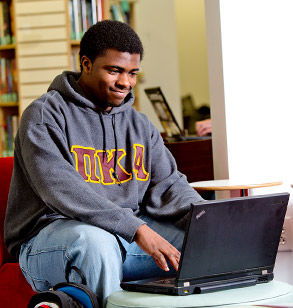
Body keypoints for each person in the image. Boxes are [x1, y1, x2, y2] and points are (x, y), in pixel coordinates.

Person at [4, 20, 203, 307]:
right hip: (53, 239)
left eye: (133, 73)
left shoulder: (139, 125)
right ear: (86, 63)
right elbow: (63, 191)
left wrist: (206, 220)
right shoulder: (44, 116)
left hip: (124, 238)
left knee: (202, 243)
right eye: (115, 70)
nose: (126, 82)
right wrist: (137, 229)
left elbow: (170, 185)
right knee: (94, 242)